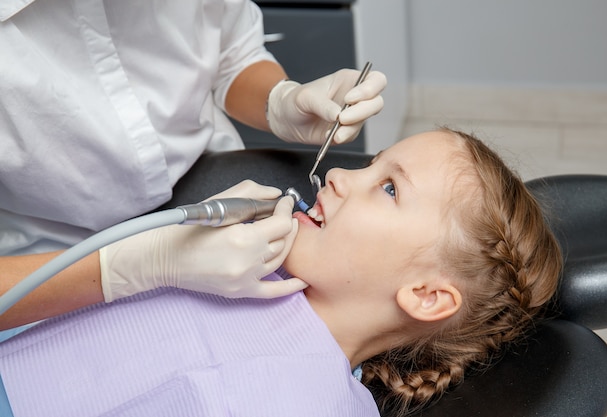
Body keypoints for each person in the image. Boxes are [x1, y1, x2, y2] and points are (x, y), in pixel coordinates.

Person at [0, 128, 562, 416]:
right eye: (370, 165)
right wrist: (150, 256)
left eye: (389, 188)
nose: (340, 175)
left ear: (425, 294)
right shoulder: (229, 261)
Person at [0, 0, 387, 331]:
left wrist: (280, 100)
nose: (336, 175)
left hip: (209, 191)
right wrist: (136, 265)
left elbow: (231, 53)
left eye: (391, 186)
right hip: (45, 266)